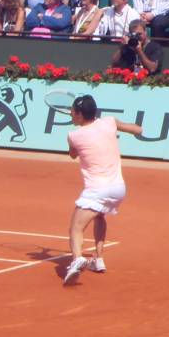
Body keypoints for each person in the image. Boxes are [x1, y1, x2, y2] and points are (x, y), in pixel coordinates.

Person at [62, 94, 143, 286]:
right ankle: (98, 259)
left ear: (80, 115)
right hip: (118, 190)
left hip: (97, 190)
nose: (70, 113)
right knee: (99, 215)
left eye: (72, 111)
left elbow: (73, 155)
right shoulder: (110, 122)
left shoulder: (73, 136)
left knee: (76, 227)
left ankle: (77, 260)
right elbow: (138, 129)